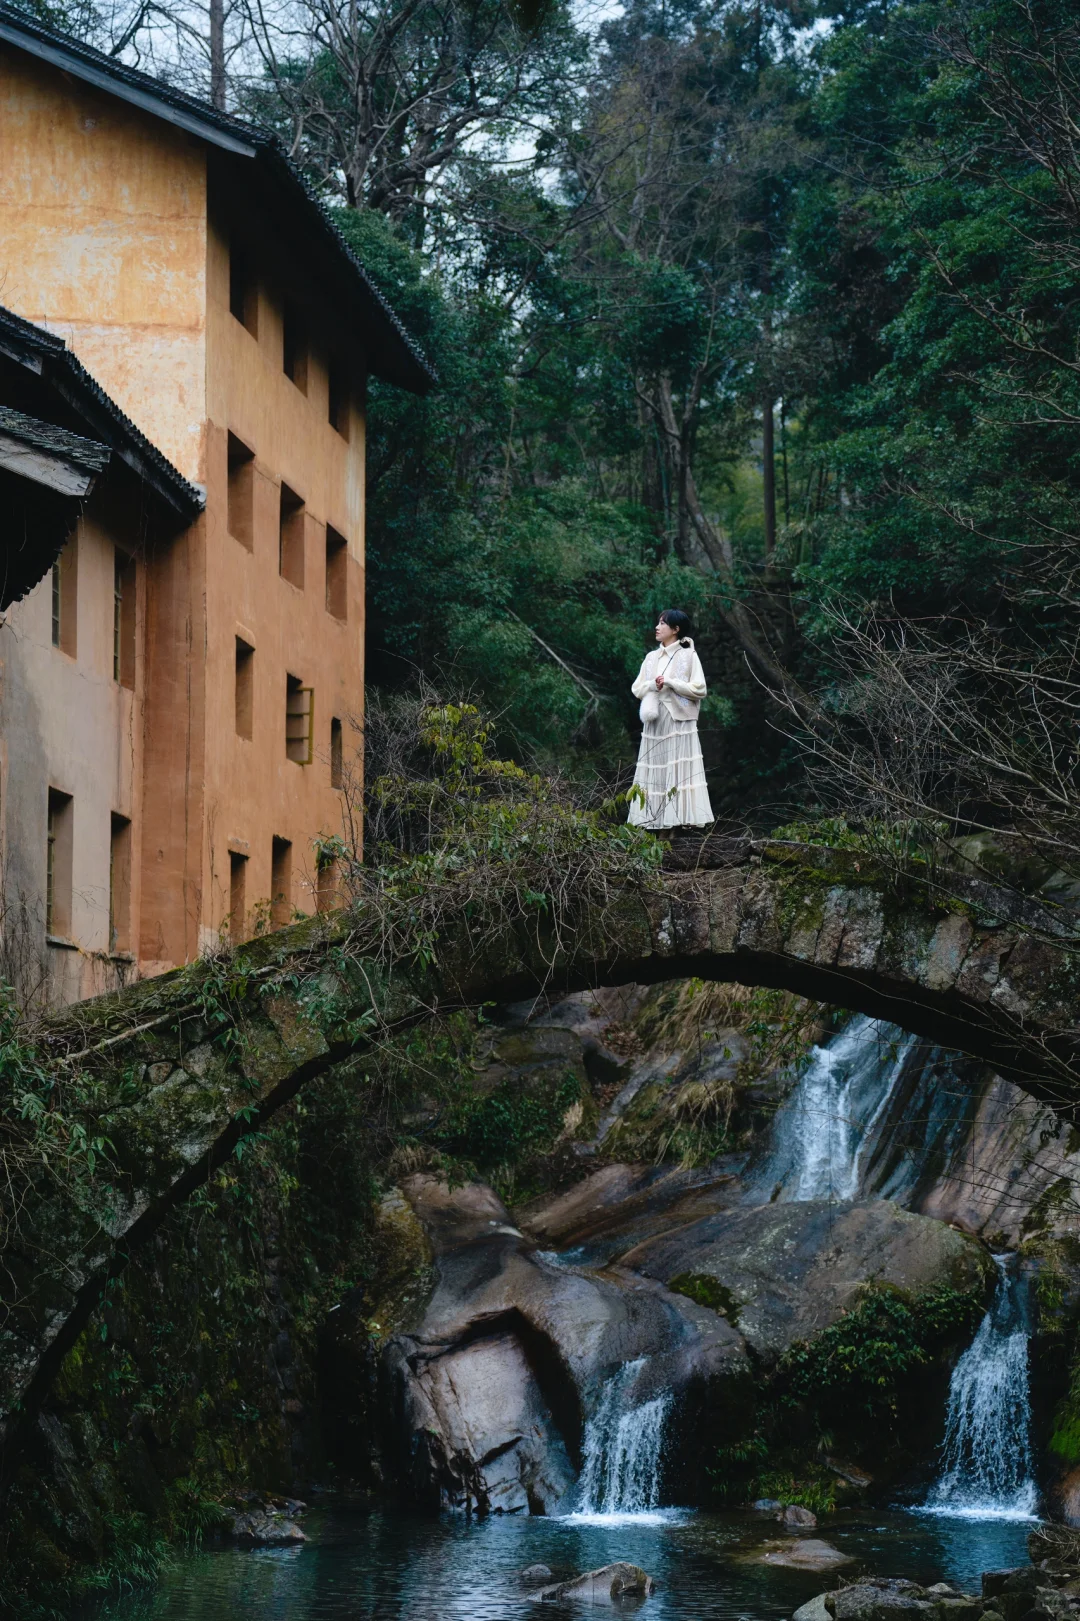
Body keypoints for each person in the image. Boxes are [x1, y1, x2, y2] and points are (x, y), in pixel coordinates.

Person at [627, 610, 714, 829]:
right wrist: (652, 685)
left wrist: (671, 682)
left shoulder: (689, 655)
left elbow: (700, 689)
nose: (657, 627)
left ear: (676, 630)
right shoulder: (650, 658)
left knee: (678, 770)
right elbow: (637, 688)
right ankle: (655, 823)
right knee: (655, 769)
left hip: (679, 721)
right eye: (658, 622)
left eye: (663, 624)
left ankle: (677, 824)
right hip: (654, 722)